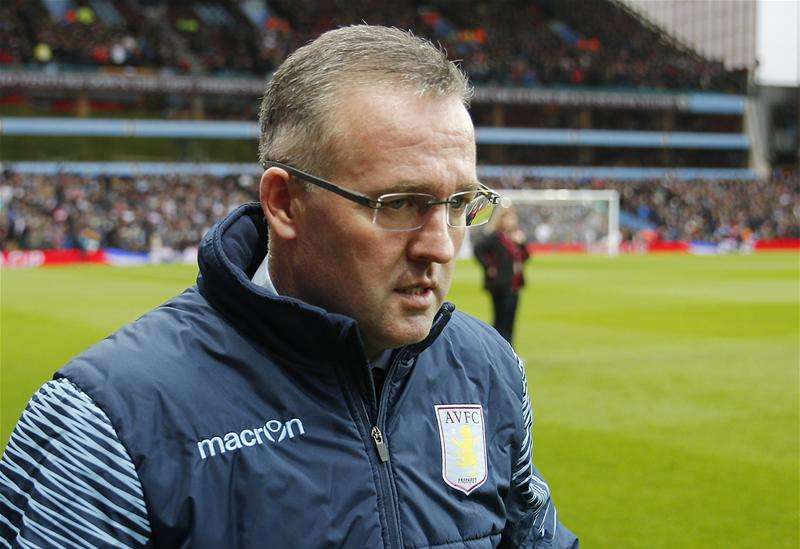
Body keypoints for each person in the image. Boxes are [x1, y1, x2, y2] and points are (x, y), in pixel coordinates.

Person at [0, 26, 577, 548]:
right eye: (399, 204)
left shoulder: (488, 370)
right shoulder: (110, 421)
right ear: (284, 204)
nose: (442, 246)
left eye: (458, 205)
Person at [474, 207, 531, 345]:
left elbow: (525, 257)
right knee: (501, 321)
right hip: (500, 284)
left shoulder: (515, 237)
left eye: (513, 218)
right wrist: (489, 267)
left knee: (510, 321)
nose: (511, 221)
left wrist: (522, 243)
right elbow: (478, 249)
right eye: (508, 218)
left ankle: (510, 352)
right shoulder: (495, 237)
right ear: (501, 220)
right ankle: (498, 351)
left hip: (514, 284)